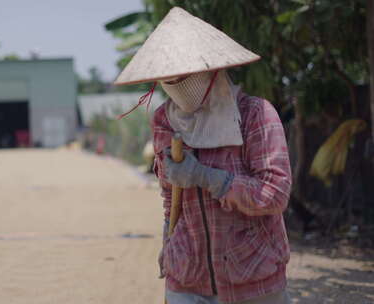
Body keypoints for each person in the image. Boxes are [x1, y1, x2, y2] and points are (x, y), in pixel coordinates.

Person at [114, 7, 292, 304]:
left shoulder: (256, 114)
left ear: (210, 70)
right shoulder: (164, 120)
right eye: (168, 79)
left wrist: (208, 178)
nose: (177, 86)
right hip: (186, 273)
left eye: (184, 76)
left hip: (252, 276)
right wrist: (167, 243)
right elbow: (171, 197)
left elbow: (274, 194)